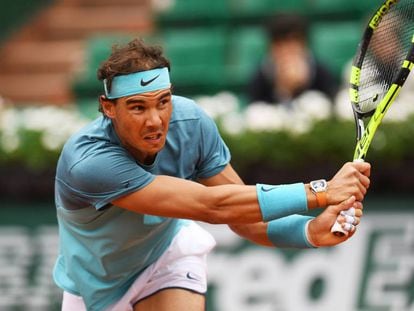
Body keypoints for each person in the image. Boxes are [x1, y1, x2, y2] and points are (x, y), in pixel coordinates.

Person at [53, 38, 371, 311]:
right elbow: (213, 206)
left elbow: (245, 218)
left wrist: (310, 231)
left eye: (163, 102)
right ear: (108, 108)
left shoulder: (191, 124)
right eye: (137, 107)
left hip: (165, 256)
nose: (155, 120)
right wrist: (323, 191)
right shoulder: (88, 162)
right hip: (93, 284)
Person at [247, 13, 339, 105]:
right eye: (280, 44)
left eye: (292, 42)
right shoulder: (261, 75)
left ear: (304, 43)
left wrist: (303, 86)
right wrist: (283, 90)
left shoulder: (320, 70)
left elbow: (333, 102)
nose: (286, 50)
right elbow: (255, 108)